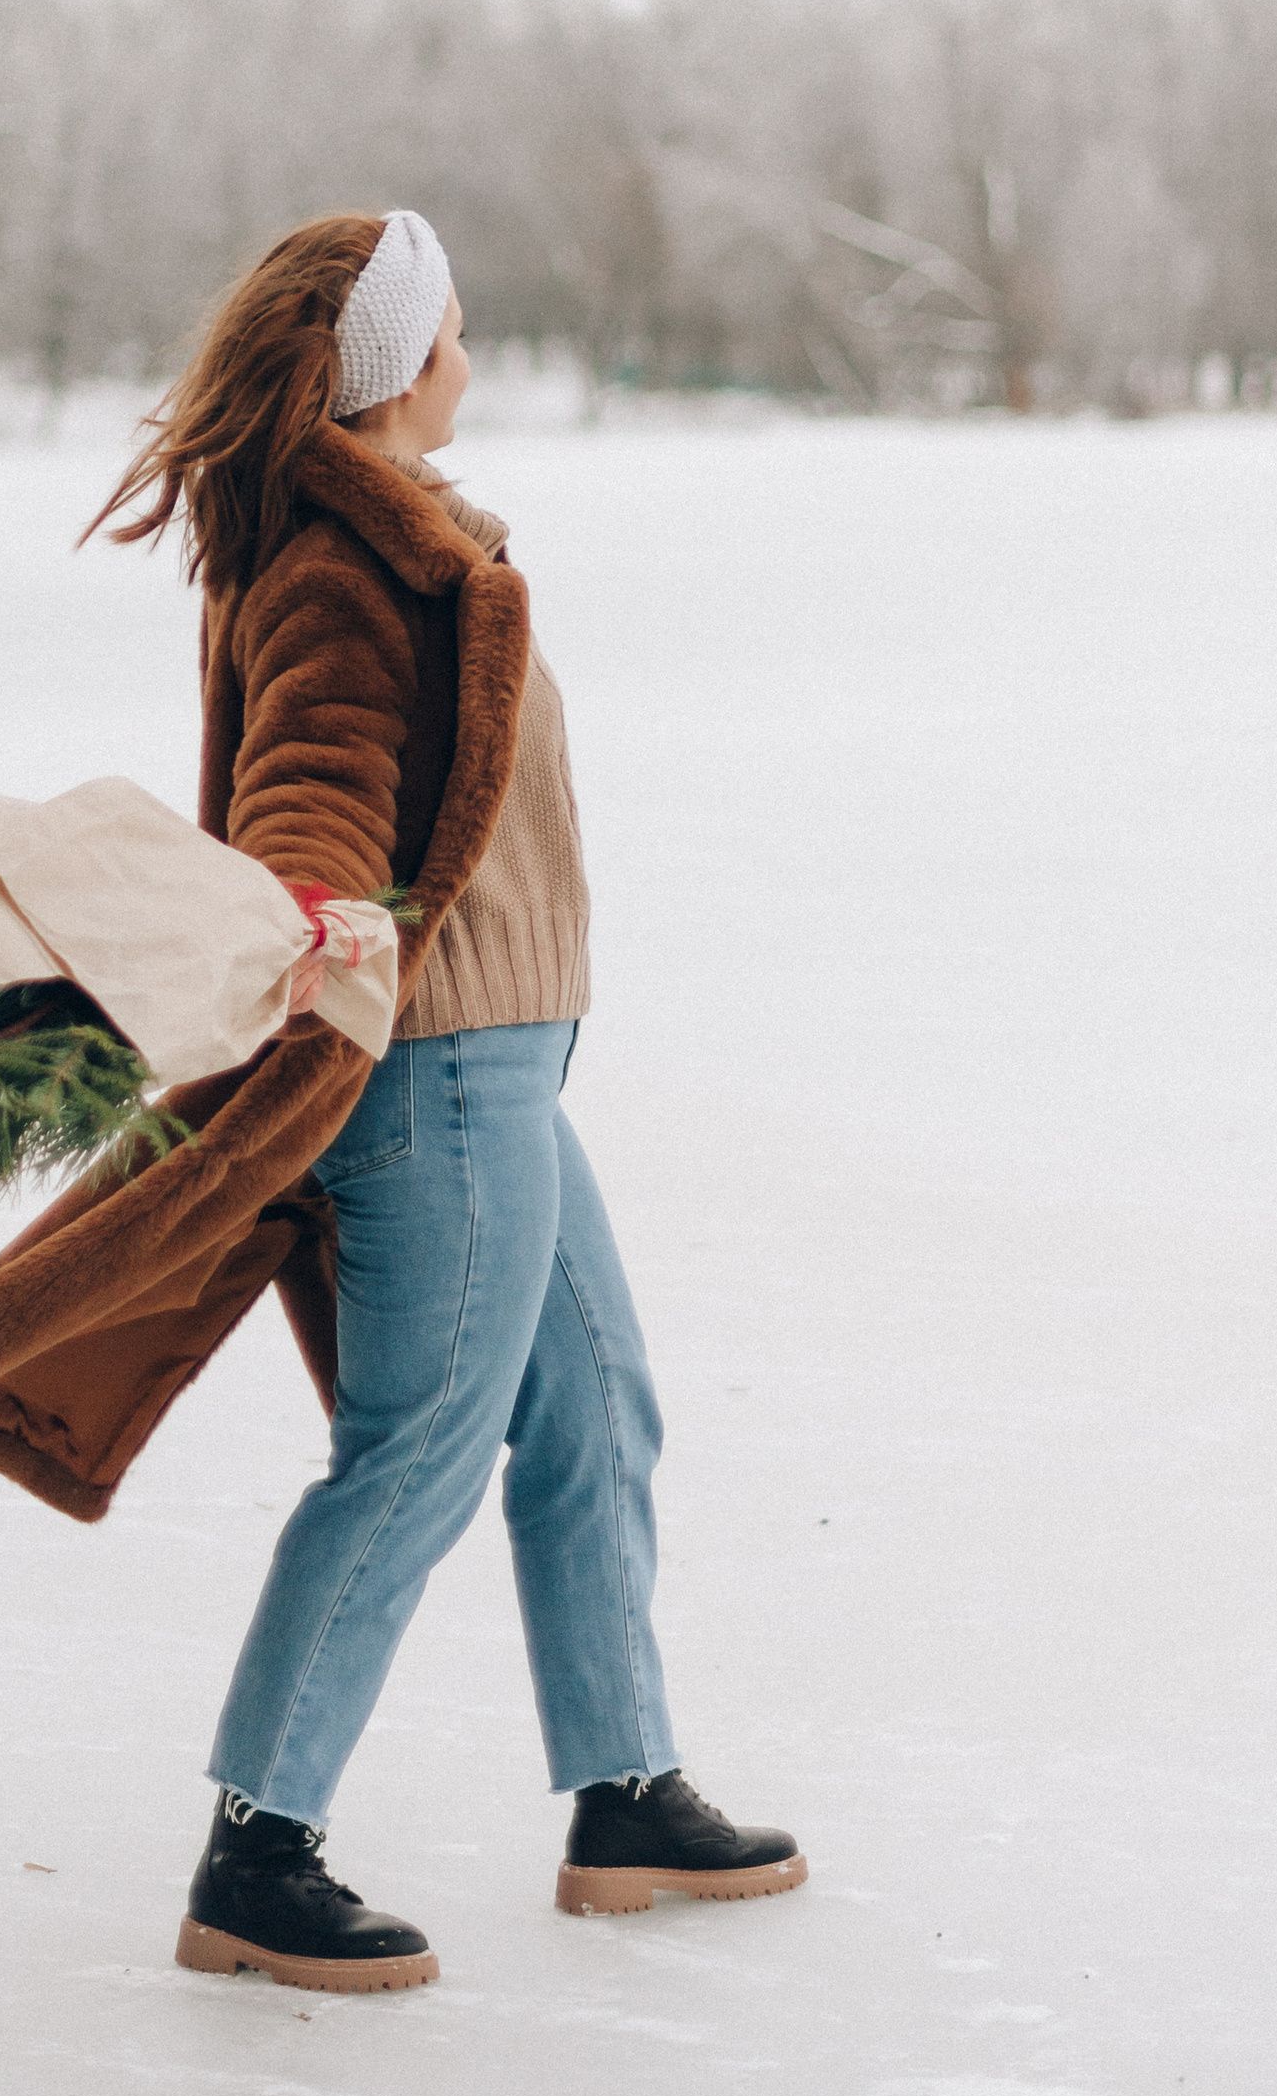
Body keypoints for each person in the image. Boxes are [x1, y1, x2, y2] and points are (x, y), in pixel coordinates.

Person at [88, 206, 805, 1996]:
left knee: (594, 1410)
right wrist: (322, 902)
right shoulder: (345, 564)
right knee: (411, 1448)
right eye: (455, 331)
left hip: (503, 1063)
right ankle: (258, 1850)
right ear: (392, 364)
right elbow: (312, 784)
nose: (473, 360)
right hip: (430, 1069)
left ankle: (625, 1788)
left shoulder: (390, 536)